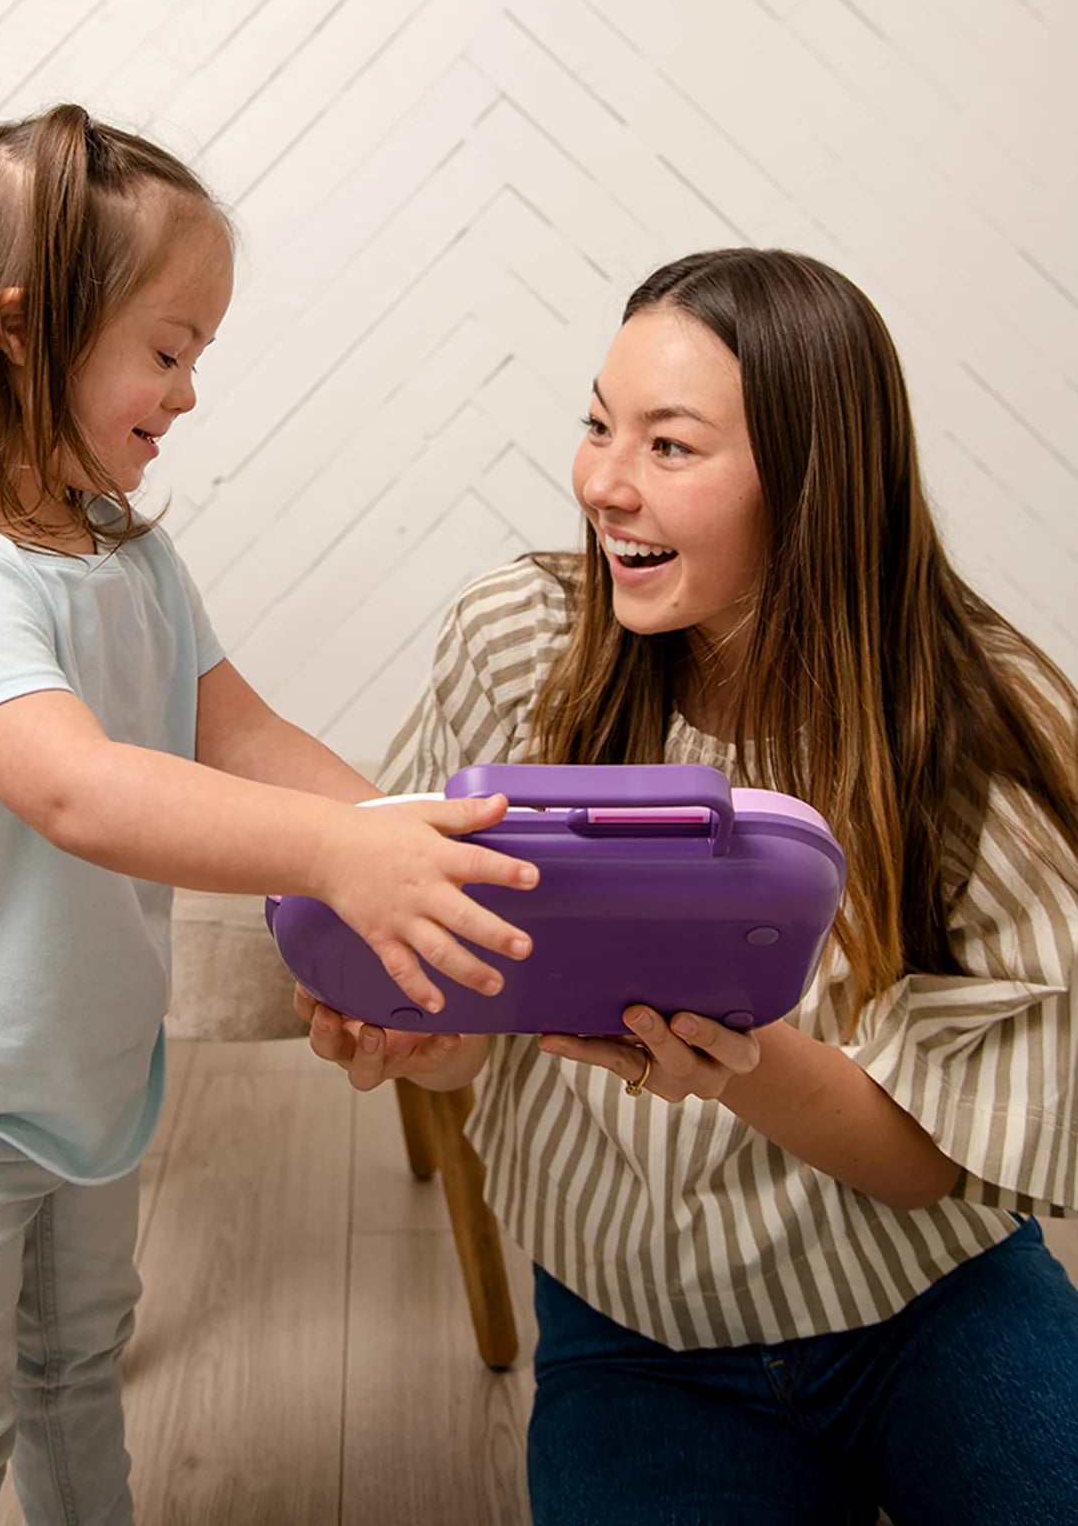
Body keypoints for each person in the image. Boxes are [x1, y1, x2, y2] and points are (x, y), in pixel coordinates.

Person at [0, 103, 540, 1526]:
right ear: (24, 330)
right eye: (167, 348)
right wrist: (343, 855)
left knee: (79, 1375)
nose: (191, 389)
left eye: (197, 352)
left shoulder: (124, 551)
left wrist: (414, 838)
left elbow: (242, 732)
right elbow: (83, 789)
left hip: (85, 1083)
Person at [304, 248, 1078, 1526]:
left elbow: (931, 1169)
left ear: (813, 481)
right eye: (600, 425)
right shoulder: (521, 649)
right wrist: (415, 1036)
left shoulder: (979, 723)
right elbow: (454, 1025)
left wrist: (737, 1062)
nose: (604, 481)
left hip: (926, 1304)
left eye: (670, 445)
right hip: (637, 1335)